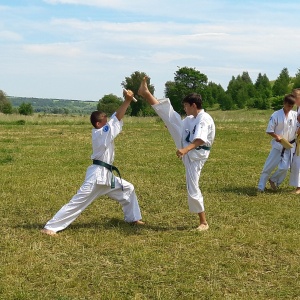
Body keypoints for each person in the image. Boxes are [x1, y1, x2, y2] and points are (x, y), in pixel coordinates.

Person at [41, 89, 144, 236]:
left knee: (128, 189)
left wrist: (126, 101)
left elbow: (116, 118)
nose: (108, 123)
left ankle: (133, 219)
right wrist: (127, 101)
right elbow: (117, 118)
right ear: (98, 123)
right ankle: (50, 227)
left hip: (107, 176)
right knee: (78, 201)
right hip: (97, 176)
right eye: (105, 121)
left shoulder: (104, 131)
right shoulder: (100, 133)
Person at [138, 76, 215, 231]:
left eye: (186, 106)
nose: (185, 109)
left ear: (194, 105)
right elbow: (181, 126)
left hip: (195, 155)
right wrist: (171, 126)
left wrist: (185, 150)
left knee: (193, 186)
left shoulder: (204, 119)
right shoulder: (191, 117)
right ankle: (146, 93)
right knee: (171, 117)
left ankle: (204, 222)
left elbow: (200, 140)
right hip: (187, 147)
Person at [258, 94, 297, 192]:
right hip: (278, 145)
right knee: (269, 166)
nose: (290, 108)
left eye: (292, 106)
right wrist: (276, 136)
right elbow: (269, 130)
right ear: (284, 103)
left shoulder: (295, 115)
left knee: (284, 168)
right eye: (288, 105)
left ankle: (273, 180)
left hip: (289, 146)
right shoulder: (276, 115)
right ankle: (260, 186)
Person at [289, 88, 300, 193]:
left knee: (298, 162)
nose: (293, 99)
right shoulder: (297, 109)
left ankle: (299, 187)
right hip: (298, 138)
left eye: (295, 97)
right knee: (296, 162)